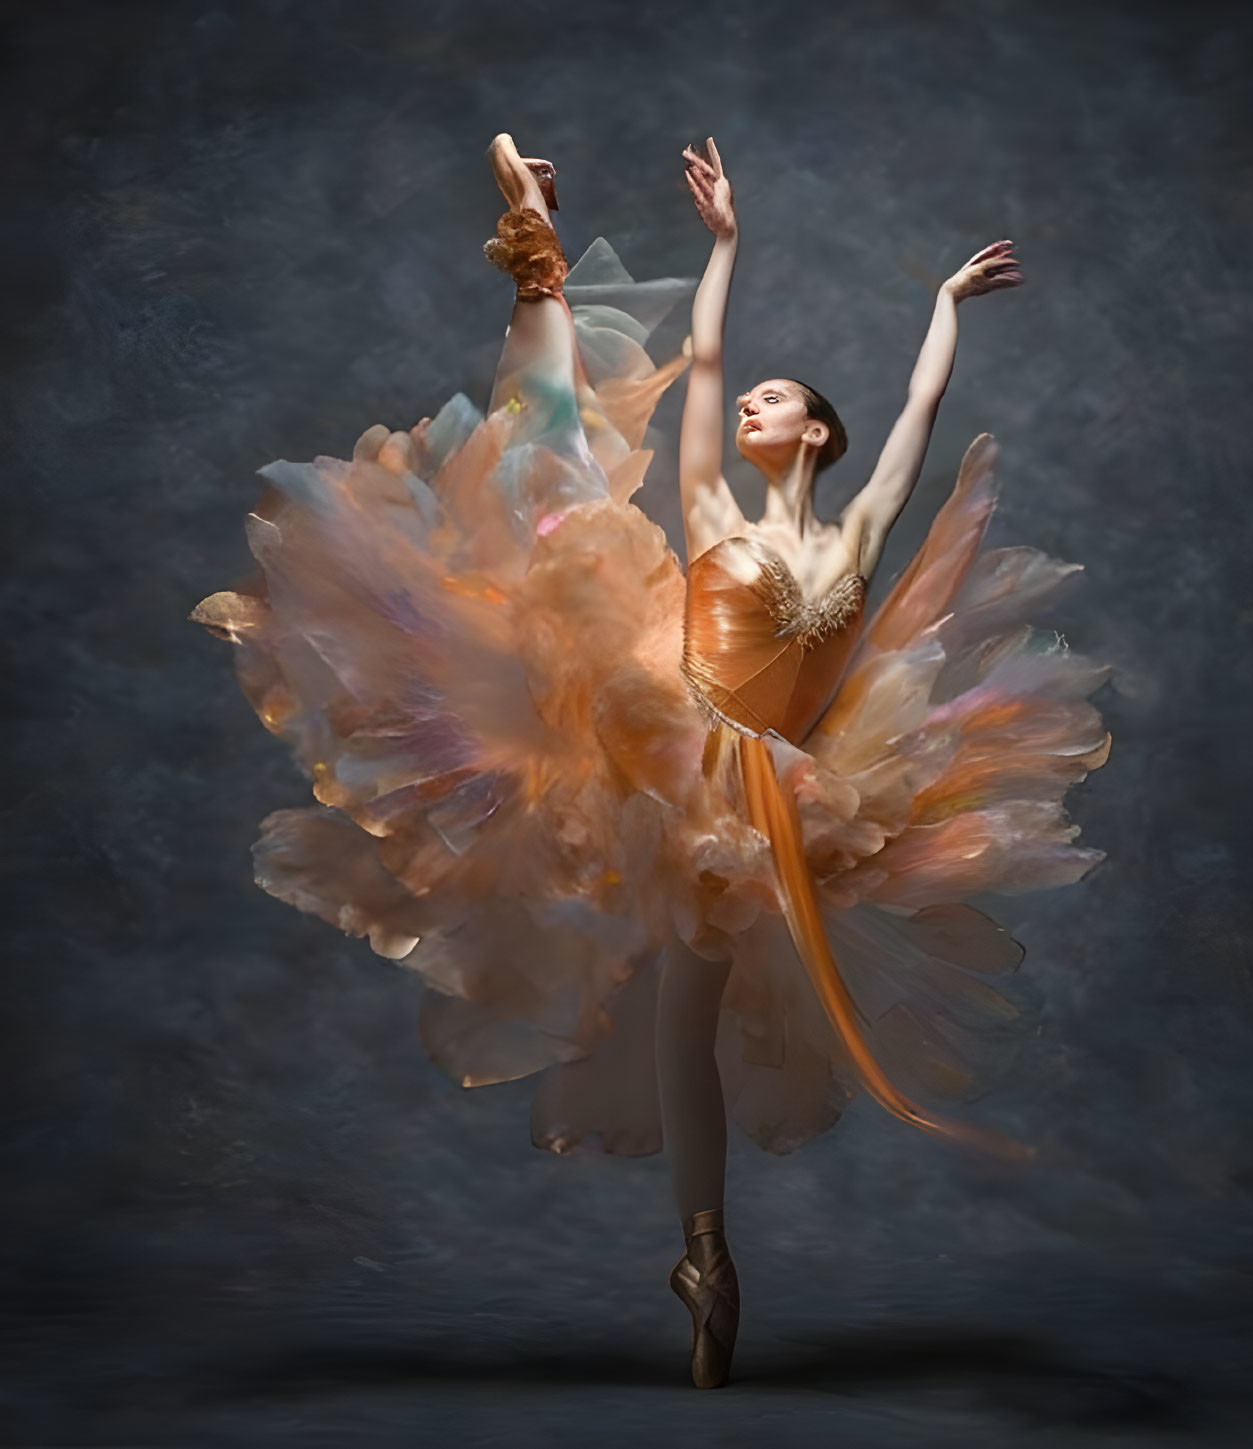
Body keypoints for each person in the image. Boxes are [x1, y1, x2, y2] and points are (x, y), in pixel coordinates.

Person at [193, 132, 1109, 1391]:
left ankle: (704, 1258)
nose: (748, 406)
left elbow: (919, 420)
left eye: (777, 401)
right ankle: (707, 1253)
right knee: (676, 1003)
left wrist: (943, 308)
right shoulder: (715, 510)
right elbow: (708, 362)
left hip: (778, 789)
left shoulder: (853, 537)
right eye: (748, 402)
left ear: (820, 433)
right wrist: (726, 242)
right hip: (668, 756)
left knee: (690, 1013)